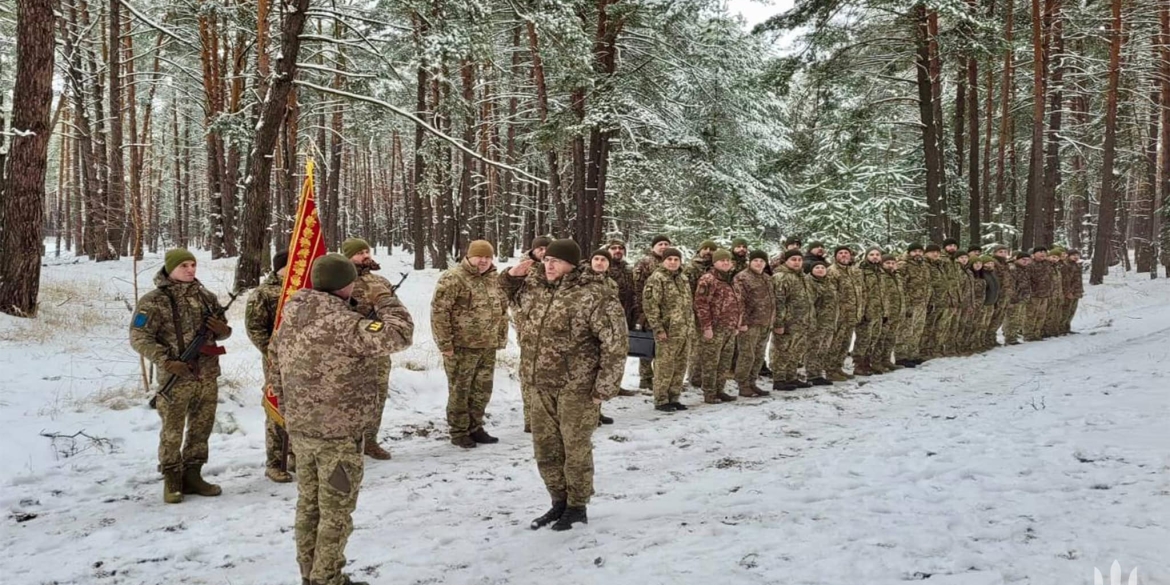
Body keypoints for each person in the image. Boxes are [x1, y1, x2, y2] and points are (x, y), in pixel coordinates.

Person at [269, 253, 414, 585]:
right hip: (336, 435)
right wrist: (385, 298)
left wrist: (289, 405)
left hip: (302, 429)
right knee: (335, 513)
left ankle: (311, 575)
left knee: (309, 507)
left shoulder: (292, 313)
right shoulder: (342, 323)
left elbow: (273, 358)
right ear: (346, 284)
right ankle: (327, 579)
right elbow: (400, 334)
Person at [500, 239, 627, 531]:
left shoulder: (594, 294)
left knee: (575, 449)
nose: (549, 265)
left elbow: (616, 343)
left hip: (577, 388)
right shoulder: (535, 288)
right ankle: (558, 501)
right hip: (539, 384)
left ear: (572, 264)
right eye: (546, 260)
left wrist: (604, 387)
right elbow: (503, 294)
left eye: (556, 261)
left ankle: (577, 506)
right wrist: (510, 276)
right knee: (545, 449)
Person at [130, 248, 232, 504]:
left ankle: (193, 474)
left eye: (192, 265)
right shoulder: (154, 301)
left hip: (206, 375)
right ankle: (172, 478)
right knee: (172, 431)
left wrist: (223, 330)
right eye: (183, 266)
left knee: (201, 428)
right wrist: (166, 360)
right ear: (170, 268)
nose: (190, 270)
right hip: (175, 378)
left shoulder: (206, 297)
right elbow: (139, 337)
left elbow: (223, 331)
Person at [431, 240, 509, 449]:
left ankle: (475, 427)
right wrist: (445, 343)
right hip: (461, 348)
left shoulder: (493, 279)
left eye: (487, 257)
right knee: (460, 391)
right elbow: (439, 312)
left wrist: (500, 337)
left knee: (482, 390)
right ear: (469, 256)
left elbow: (502, 310)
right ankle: (459, 431)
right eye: (479, 256)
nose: (483, 261)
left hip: (487, 345)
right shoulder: (453, 278)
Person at [341, 237, 395, 460]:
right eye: (359, 253)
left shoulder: (380, 281)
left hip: (379, 350)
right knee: (349, 398)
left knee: (377, 396)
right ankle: (347, 444)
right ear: (347, 257)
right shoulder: (340, 282)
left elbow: (394, 310)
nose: (365, 255)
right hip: (351, 351)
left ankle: (370, 441)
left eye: (367, 251)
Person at [245, 250, 294, 483]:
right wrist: (272, 352)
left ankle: (295, 453)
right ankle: (275, 462)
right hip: (276, 361)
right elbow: (255, 328)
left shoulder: (304, 288)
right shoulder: (263, 293)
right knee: (277, 407)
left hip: (304, 362)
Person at [508, 236, 552, 432]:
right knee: (529, 376)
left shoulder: (555, 270)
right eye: (539, 249)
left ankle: (549, 418)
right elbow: (507, 292)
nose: (543, 252)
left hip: (552, 332)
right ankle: (531, 420)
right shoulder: (522, 269)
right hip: (528, 331)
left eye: (546, 249)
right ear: (533, 251)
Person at [642, 247, 693, 411]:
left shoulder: (683, 278)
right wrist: (658, 328)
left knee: (680, 366)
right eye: (669, 259)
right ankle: (661, 399)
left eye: (676, 260)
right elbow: (650, 306)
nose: (673, 262)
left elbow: (688, 305)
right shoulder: (657, 279)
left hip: (684, 331)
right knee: (664, 366)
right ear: (663, 261)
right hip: (667, 331)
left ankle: (674, 397)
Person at [694, 249, 742, 403]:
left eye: (728, 260)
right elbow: (701, 304)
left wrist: (736, 324)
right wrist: (706, 327)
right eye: (722, 260)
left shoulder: (732, 280)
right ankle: (709, 392)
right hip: (714, 328)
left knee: (725, 361)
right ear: (715, 263)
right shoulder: (708, 279)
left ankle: (719, 389)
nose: (726, 263)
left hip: (730, 328)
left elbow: (738, 303)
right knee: (711, 361)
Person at [632, 235, 673, 391]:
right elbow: (637, 286)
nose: (663, 246)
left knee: (663, 345)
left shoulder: (671, 262)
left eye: (666, 244)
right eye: (660, 244)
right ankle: (646, 377)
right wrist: (641, 309)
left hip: (667, 312)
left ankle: (661, 378)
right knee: (647, 343)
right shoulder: (644, 262)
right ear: (653, 247)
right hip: (649, 308)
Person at [770, 250, 814, 390]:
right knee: (782, 351)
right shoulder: (781, 277)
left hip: (801, 322)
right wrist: (779, 322)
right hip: (787, 322)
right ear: (786, 261)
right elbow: (778, 301)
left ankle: (791, 376)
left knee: (795, 351)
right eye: (793, 259)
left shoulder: (802, 277)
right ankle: (779, 379)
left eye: (799, 259)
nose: (797, 262)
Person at [733, 250, 774, 397]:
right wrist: (742, 321)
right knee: (747, 355)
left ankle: (752, 382)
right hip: (750, 324)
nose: (759, 263)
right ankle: (743, 384)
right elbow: (740, 301)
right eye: (756, 260)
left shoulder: (767, 278)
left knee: (758, 355)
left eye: (762, 261)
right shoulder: (742, 278)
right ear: (750, 262)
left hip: (765, 322)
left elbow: (772, 300)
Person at [585, 248, 620, 424]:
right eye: (596, 259)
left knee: (601, 371)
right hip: (586, 334)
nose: (599, 262)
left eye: (604, 260)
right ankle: (588, 414)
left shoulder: (612, 284)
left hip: (606, 333)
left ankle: (597, 411)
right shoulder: (583, 281)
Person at [605, 239, 640, 397]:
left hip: (624, 316)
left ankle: (616, 384)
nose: (617, 250)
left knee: (619, 354)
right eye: (614, 248)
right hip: (605, 318)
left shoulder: (627, 269)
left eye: (620, 248)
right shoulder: (604, 267)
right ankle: (604, 387)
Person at [684, 240, 718, 387]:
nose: (708, 251)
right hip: (696, 311)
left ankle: (706, 375)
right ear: (700, 250)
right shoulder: (691, 268)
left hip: (713, 313)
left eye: (711, 249)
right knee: (697, 346)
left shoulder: (715, 268)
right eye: (705, 248)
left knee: (709, 346)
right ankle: (694, 377)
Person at [827, 245, 863, 381]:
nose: (843, 255)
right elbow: (831, 295)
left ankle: (838, 367)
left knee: (845, 343)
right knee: (835, 343)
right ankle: (830, 369)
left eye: (846, 253)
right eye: (840, 253)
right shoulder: (832, 272)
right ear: (836, 256)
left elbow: (860, 292)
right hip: (839, 315)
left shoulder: (854, 271)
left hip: (852, 314)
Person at [895, 244, 932, 367]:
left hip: (922, 303)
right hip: (910, 304)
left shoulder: (923, 265)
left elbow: (927, 284)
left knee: (917, 330)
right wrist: (905, 304)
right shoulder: (903, 265)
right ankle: (901, 356)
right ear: (909, 252)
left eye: (920, 251)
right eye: (914, 251)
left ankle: (913, 354)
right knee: (905, 331)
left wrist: (928, 300)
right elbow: (901, 286)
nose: (917, 253)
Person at [804, 260, 838, 385]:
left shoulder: (829, 282)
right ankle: (812, 375)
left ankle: (818, 372)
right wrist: (812, 321)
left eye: (822, 267)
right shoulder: (809, 283)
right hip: (816, 322)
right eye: (817, 267)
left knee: (823, 348)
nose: (820, 269)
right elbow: (810, 304)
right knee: (813, 348)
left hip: (828, 322)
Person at [872, 254, 903, 371]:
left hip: (897, 311)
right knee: (881, 338)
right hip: (885, 312)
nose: (890, 265)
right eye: (887, 263)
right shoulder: (881, 276)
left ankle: (886, 359)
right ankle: (876, 361)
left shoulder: (897, 275)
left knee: (891, 338)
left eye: (892, 263)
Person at [1025, 247, 1053, 341]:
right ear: (1034, 254)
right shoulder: (1030, 265)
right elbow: (1027, 280)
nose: (1043, 254)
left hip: (1045, 294)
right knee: (1031, 315)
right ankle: (1028, 334)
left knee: (1041, 315)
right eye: (1040, 252)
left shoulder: (1047, 264)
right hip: (1034, 294)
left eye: (1044, 252)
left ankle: (1037, 333)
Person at [1005, 252, 1033, 345]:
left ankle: (1014, 335)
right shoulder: (1013, 269)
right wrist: (1012, 297)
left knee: (1019, 318)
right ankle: (1010, 338)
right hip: (1014, 298)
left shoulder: (1025, 269)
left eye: (1027, 260)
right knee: (1012, 318)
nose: (1025, 261)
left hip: (1022, 297)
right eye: (1023, 260)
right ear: (1017, 259)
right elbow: (1010, 285)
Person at [1062, 250, 1084, 334]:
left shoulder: (1077, 265)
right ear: (1068, 256)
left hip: (1076, 291)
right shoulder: (1066, 266)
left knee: (1072, 311)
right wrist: (1067, 292)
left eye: (1077, 255)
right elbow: (1065, 281)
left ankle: (1067, 327)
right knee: (1065, 311)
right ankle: (1061, 328)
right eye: (1073, 255)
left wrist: (1079, 291)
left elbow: (1078, 280)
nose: (1076, 257)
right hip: (1069, 292)